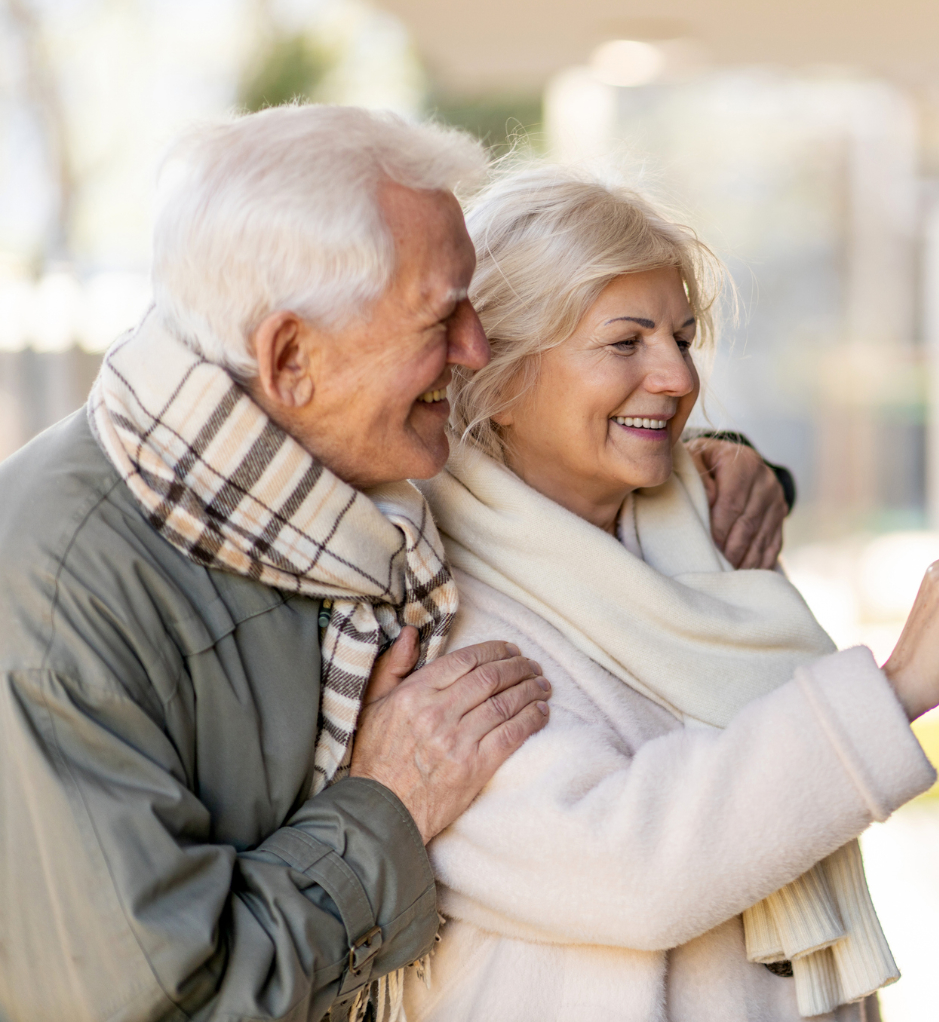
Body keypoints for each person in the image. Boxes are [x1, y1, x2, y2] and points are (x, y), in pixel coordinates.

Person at [0, 106, 793, 1022]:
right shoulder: (57, 605)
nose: (476, 348)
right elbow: (156, 1003)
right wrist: (384, 808)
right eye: (441, 317)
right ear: (291, 356)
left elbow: (545, 459)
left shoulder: (328, 498)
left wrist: (737, 471)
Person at [403, 168, 939, 1022]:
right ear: (503, 374)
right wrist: (890, 690)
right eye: (626, 343)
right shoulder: (435, 608)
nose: (676, 377)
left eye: (683, 335)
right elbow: (626, 868)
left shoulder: (705, 538)